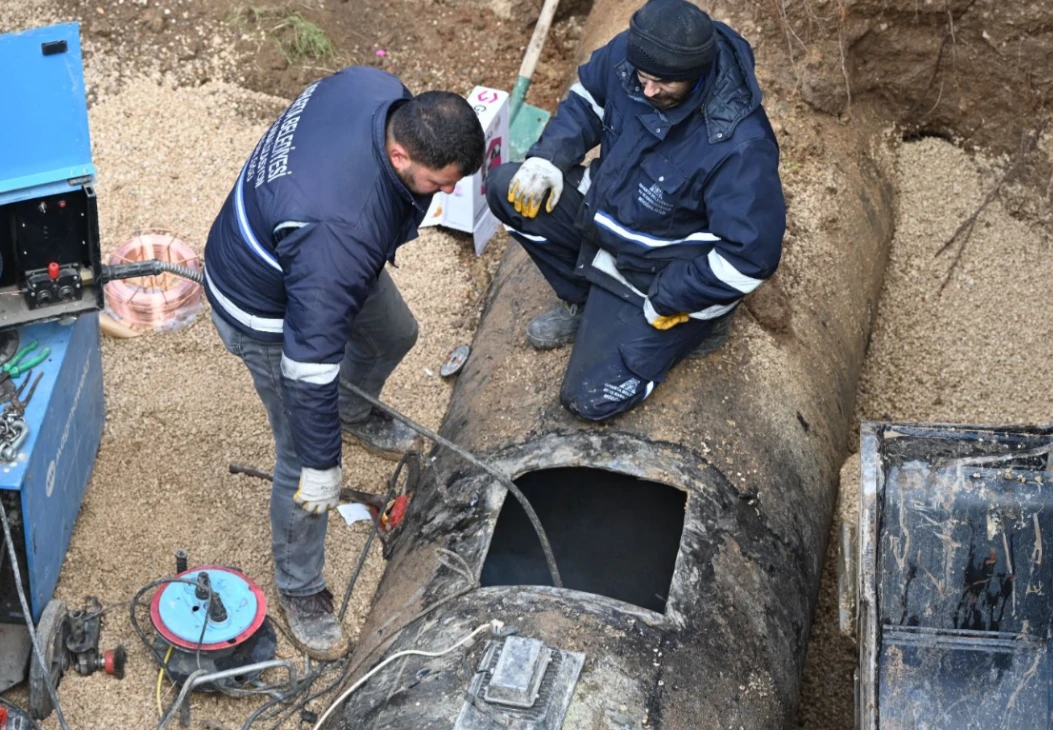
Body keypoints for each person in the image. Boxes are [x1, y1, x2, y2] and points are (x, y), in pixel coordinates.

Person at [203, 67, 484, 659]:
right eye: (438, 182)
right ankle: (300, 588)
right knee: (303, 461)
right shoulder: (341, 228)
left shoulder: (372, 87)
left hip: (310, 259)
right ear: (401, 152)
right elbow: (308, 364)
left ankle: (355, 414)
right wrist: (323, 464)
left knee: (395, 333)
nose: (447, 193)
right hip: (263, 302)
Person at [486, 0, 785, 422]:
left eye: (661, 83)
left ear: (694, 74)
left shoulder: (739, 145)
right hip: (606, 219)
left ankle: (700, 326)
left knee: (590, 399)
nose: (646, 90)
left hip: (660, 274)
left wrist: (670, 299)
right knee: (508, 189)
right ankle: (587, 300)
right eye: (641, 78)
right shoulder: (637, 54)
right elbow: (588, 98)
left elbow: (750, 258)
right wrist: (549, 158)